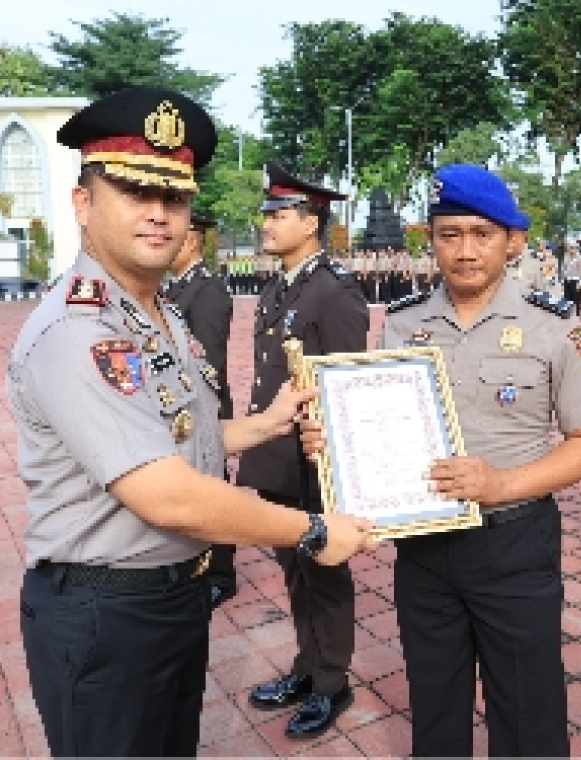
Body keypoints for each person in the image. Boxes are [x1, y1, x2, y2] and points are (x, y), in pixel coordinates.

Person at [9, 87, 373, 758]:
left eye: (173, 197)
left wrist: (263, 426)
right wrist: (313, 530)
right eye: (134, 192)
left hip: (172, 594)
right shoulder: (80, 330)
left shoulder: (162, 315)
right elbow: (166, 493)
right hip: (107, 611)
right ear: (83, 203)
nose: (158, 213)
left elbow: (178, 437)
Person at [377, 164, 581, 757]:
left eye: (481, 234)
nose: (465, 250)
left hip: (513, 543)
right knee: (435, 708)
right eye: (449, 234)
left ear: (512, 240)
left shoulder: (553, 325)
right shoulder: (402, 322)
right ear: (431, 240)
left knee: (528, 713)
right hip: (423, 544)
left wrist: (500, 483)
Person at [239, 161, 370, 739]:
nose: (267, 224)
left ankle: (331, 683)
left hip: (317, 462)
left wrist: (337, 466)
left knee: (324, 573)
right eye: (267, 214)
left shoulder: (334, 291)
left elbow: (346, 387)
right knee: (294, 571)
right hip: (279, 457)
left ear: (310, 222)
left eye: (279, 215)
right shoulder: (280, 286)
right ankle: (307, 665)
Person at [165, 210, 237, 608]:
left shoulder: (208, 291)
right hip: (180, 407)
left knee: (213, 489)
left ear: (192, 241)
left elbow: (208, 359)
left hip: (203, 407)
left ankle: (221, 574)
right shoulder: (176, 288)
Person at [562, 243, 581, 316]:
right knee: (567, 298)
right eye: (570, 248)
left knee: (576, 299)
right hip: (567, 280)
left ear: (576, 249)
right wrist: (563, 279)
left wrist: (580, 282)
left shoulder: (580, 258)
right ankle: (568, 313)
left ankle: (576, 315)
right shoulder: (566, 257)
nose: (571, 250)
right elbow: (563, 268)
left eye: (572, 248)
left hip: (576, 281)